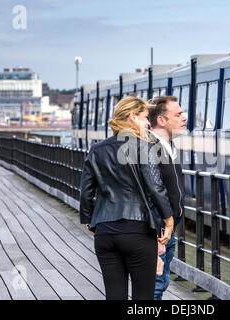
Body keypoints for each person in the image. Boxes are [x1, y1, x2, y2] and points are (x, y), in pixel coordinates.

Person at [79, 96, 174, 300]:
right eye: (145, 117)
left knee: (114, 295)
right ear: (132, 116)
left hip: (105, 232)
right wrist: (168, 219)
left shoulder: (96, 150)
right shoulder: (145, 146)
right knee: (143, 298)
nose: (148, 123)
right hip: (138, 231)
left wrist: (91, 223)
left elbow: (86, 192)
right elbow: (155, 187)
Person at [148, 96, 187, 300]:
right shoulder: (149, 149)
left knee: (159, 285)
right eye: (178, 114)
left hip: (167, 230)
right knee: (155, 286)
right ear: (161, 121)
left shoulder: (167, 146)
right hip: (158, 232)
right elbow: (147, 193)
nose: (184, 118)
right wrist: (157, 231)